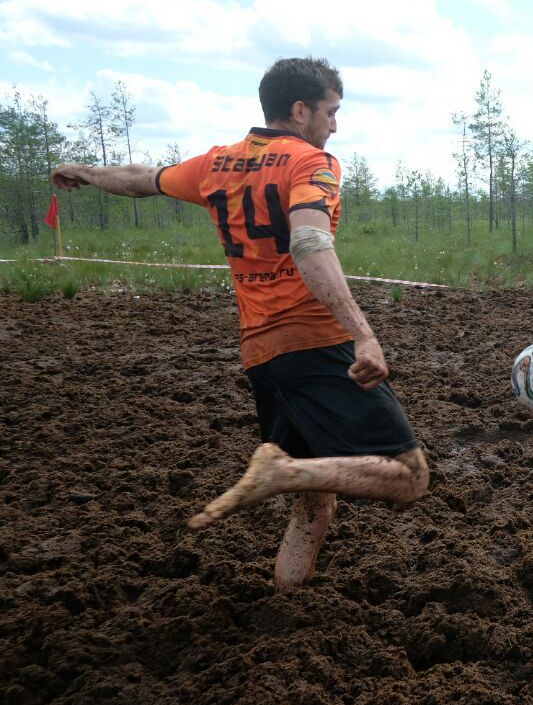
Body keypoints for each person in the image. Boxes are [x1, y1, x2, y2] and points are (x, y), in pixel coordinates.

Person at [50, 57, 430, 590]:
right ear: (300, 110)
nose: (335, 125)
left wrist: (88, 173)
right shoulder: (312, 163)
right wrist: (363, 334)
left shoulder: (217, 163)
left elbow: (144, 180)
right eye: (331, 111)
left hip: (261, 355)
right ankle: (283, 472)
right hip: (317, 343)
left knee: (312, 511)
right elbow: (310, 241)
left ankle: (286, 605)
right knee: (409, 477)